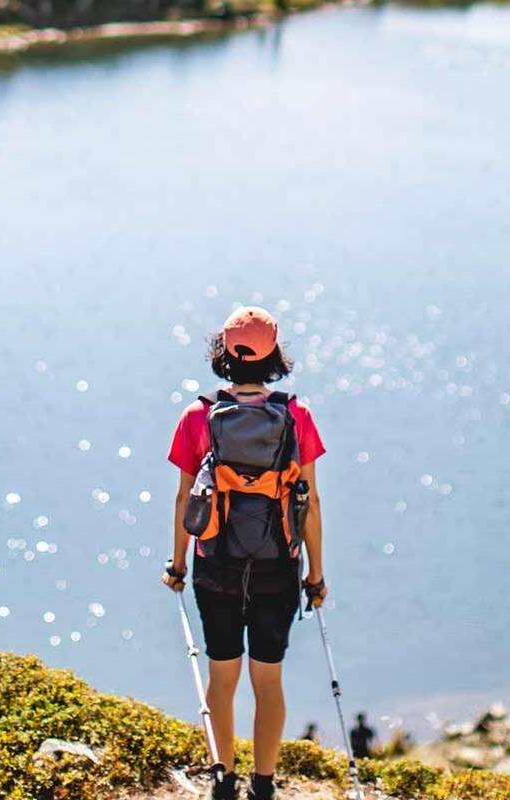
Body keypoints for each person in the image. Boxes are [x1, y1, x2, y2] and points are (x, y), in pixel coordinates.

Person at [162, 306, 328, 800]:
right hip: (278, 562)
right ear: (274, 355)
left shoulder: (198, 416)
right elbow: (311, 502)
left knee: (222, 673)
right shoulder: (296, 415)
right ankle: (264, 784)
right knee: (268, 679)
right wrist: (315, 575)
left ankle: (223, 780)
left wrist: (177, 564)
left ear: (223, 354)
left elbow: (183, 499)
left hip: (216, 563)